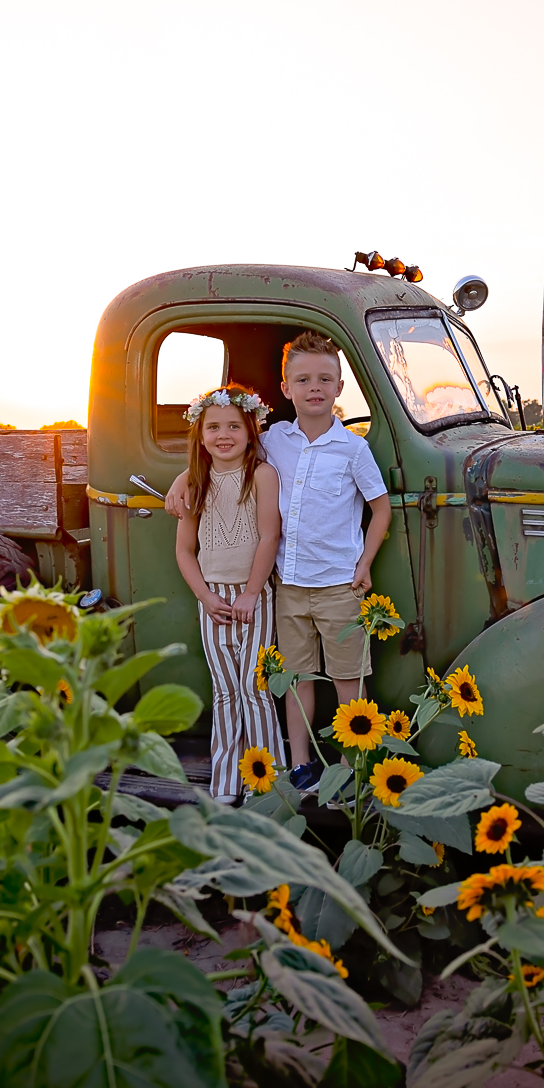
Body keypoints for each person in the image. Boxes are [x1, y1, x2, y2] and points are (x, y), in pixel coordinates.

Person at [171, 332, 389, 787]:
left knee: (349, 676)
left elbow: (380, 508)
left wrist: (365, 563)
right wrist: (182, 479)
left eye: (325, 379)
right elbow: (225, 448)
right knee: (295, 677)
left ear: (339, 387)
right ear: (286, 388)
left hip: (339, 584)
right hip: (288, 583)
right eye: (303, 379)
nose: (315, 387)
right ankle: (300, 763)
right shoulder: (274, 440)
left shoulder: (353, 448)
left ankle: (352, 768)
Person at [169, 384, 284, 801]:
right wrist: (205, 596)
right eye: (213, 427)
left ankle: (266, 785)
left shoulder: (261, 475)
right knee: (224, 690)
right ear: (200, 436)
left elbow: (269, 537)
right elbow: (184, 550)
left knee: (255, 688)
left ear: (251, 431)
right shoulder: (195, 482)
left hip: (255, 596)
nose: (224, 435)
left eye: (234, 426)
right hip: (213, 597)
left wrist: (252, 593)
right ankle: (224, 784)